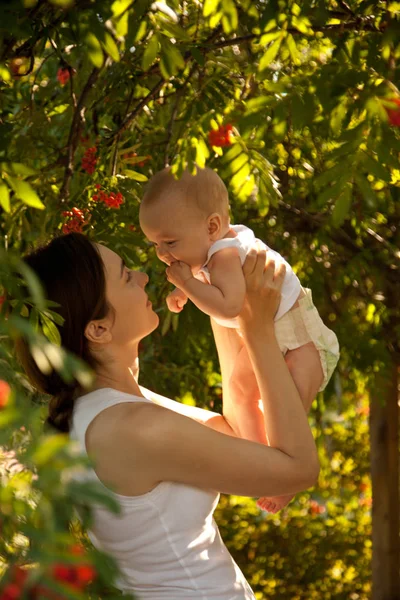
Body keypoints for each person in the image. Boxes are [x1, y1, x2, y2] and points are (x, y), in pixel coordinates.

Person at [14, 232, 319, 600]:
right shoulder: (134, 429)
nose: (143, 277)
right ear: (98, 329)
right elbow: (297, 469)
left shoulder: (109, 408)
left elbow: (240, 434)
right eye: (126, 276)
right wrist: (258, 331)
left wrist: (225, 304)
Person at [139, 166, 339, 513]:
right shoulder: (207, 251)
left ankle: (283, 480)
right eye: (156, 244)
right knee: (243, 392)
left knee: (288, 405)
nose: (163, 253)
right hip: (268, 331)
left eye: (170, 242)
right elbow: (211, 285)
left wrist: (187, 285)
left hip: (298, 334)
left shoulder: (226, 255)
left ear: (212, 227)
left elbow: (229, 303)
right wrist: (183, 290)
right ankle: (260, 463)